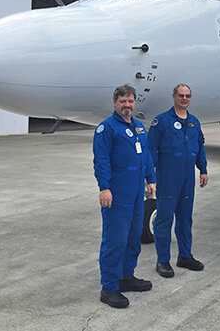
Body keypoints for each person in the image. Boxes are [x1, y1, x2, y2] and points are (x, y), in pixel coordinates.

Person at [93, 84, 156, 308]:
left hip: (137, 193)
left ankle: (126, 277)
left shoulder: (139, 127)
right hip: (117, 194)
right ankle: (109, 287)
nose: (127, 105)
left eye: (130, 101)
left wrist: (151, 179)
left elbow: (146, 156)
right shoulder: (106, 129)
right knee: (115, 241)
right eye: (123, 101)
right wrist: (104, 187)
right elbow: (101, 160)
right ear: (115, 103)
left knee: (132, 238)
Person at [148, 84, 208, 278]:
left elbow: (199, 147)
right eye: (181, 95)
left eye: (187, 96)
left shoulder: (194, 122)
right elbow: (151, 151)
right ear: (173, 96)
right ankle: (162, 260)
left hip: (187, 179)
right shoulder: (162, 121)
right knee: (164, 220)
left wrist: (203, 169)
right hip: (167, 178)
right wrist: (150, 178)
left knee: (185, 219)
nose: (184, 99)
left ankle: (185, 256)